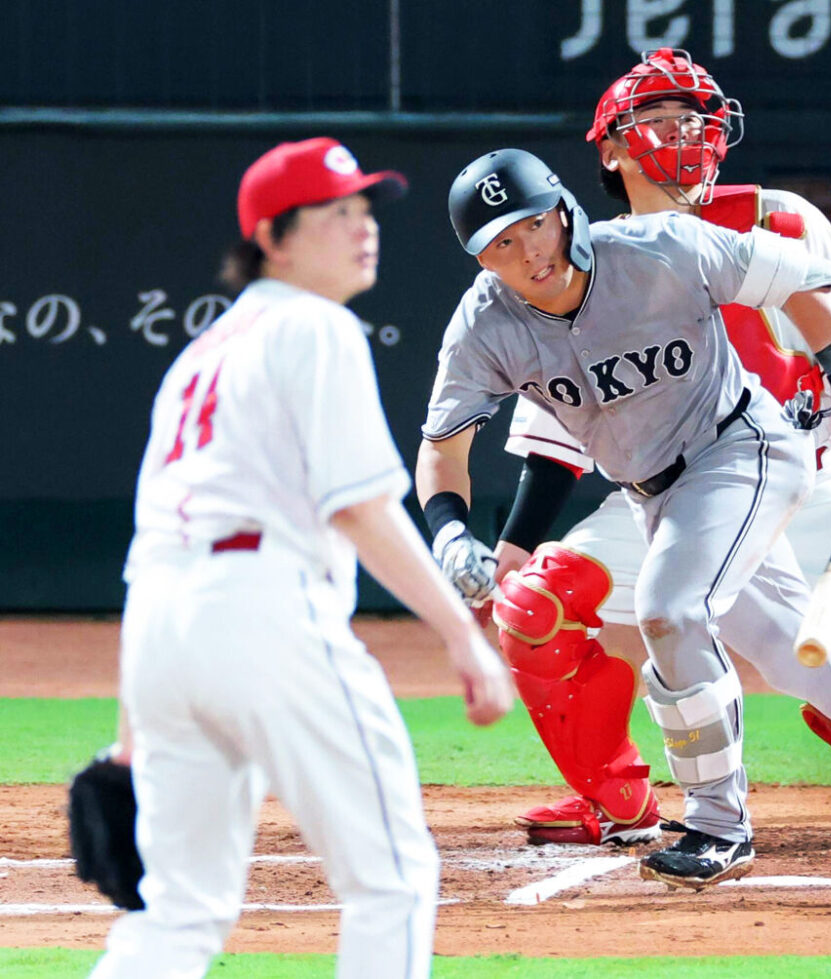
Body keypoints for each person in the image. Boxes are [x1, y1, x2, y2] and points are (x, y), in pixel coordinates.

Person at [418, 145, 831, 891]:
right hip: (657, 493)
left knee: (671, 609)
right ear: (482, 259)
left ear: (564, 212)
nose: (529, 251)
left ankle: (716, 819)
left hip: (745, 447)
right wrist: (450, 531)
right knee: (795, 655)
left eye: (535, 224)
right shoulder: (484, 325)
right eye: (501, 244)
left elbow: (799, 277)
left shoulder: (660, 246)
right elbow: (443, 451)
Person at [488, 48, 831, 851]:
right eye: (657, 119)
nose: (681, 132)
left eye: (693, 116)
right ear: (609, 148)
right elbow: (551, 445)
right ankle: (613, 796)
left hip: (807, 479)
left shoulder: (779, 218)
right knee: (535, 604)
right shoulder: (584, 259)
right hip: (665, 496)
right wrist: (510, 552)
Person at [88, 137, 513, 979]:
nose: (364, 229)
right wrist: (460, 636)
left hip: (166, 635)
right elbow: (357, 505)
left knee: (175, 909)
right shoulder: (313, 326)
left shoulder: (196, 359)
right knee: (390, 878)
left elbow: (154, 546)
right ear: (272, 240)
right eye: (336, 213)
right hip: (267, 616)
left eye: (365, 210)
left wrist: (133, 730)